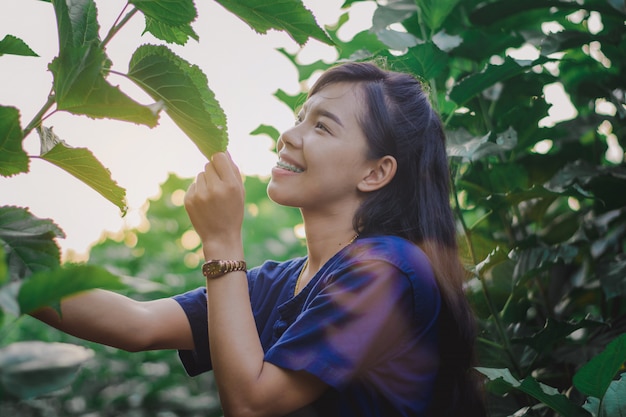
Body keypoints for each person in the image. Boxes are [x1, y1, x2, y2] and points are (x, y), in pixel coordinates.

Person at [34, 61, 486, 417]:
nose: (288, 136)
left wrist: (222, 241)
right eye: (299, 119)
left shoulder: (385, 270)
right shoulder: (286, 280)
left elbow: (251, 404)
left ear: (376, 172)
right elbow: (137, 324)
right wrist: (13, 273)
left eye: (322, 127)